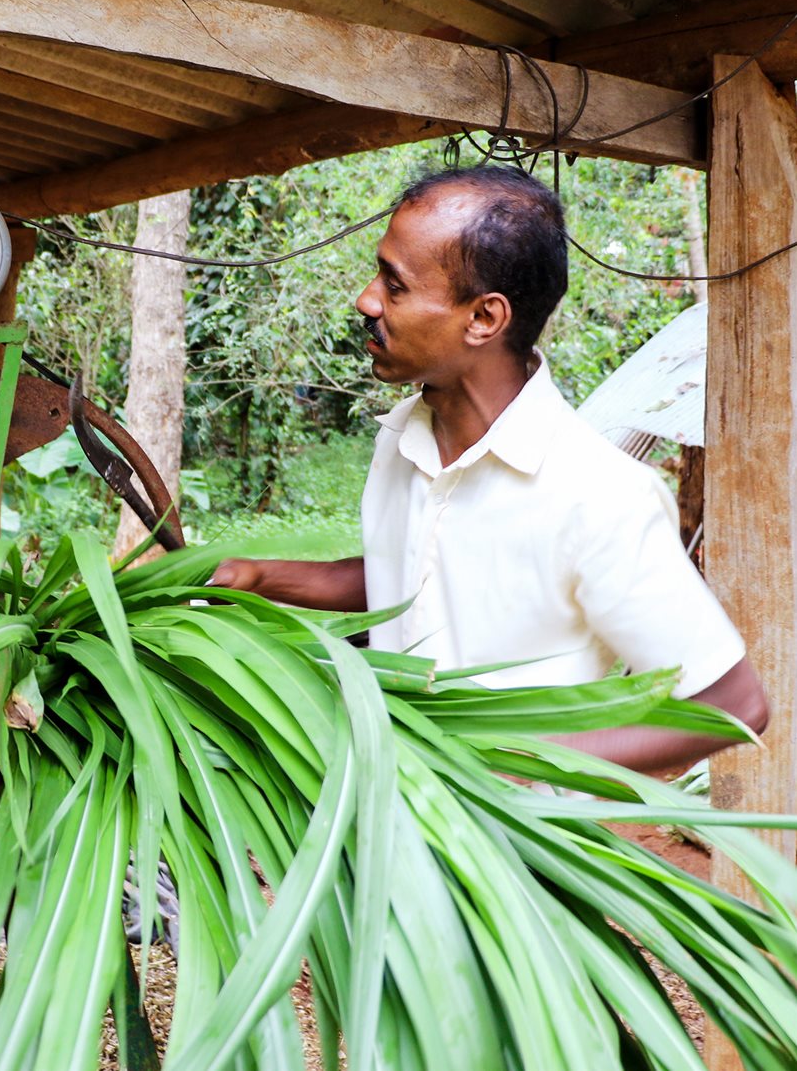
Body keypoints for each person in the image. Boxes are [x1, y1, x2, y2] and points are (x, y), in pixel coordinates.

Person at [211, 166, 768, 774]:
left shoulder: (597, 498)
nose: (366, 300)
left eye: (394, 286)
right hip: (381, 830)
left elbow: (732, 703)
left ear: (483, 319)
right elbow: (417, 574)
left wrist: (500, 765)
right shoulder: (403, 440)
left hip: (513, 856)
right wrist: (256, 575)